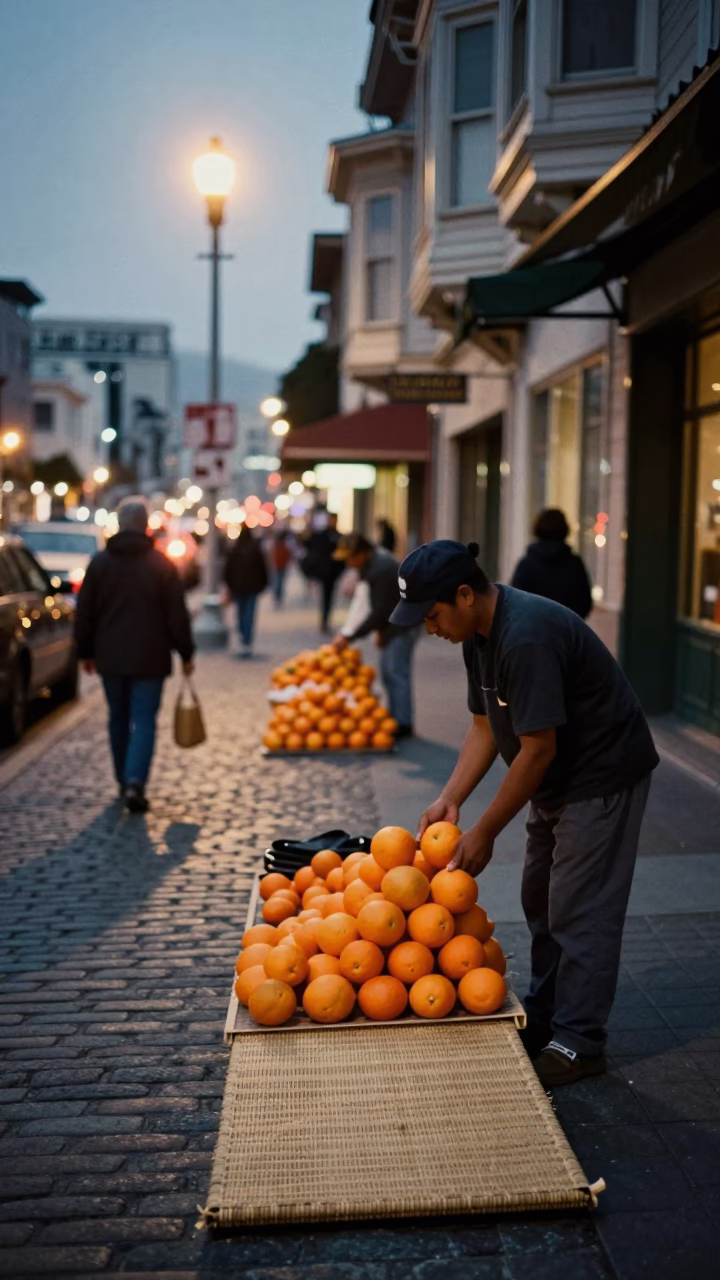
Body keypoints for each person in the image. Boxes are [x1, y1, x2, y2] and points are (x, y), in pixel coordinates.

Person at [390, 539, 659, 1087]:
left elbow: (538, 749)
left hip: (601, 773)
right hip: (556, 778)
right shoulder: (476, 634)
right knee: (540, 893)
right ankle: (547, 1014)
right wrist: (452, 797)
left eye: (433, 614)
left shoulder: (526, 636)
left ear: (465, 595)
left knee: (579, 906)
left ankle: (580, 1041)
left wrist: (486, 830)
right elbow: (485, 726)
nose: (429, 628)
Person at [74, 496, 195, 814]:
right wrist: (186, 652)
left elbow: (84, 612)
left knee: (118, 718)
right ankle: (134, 781)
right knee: (143, 720)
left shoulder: (100, 563)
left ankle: (122, 779)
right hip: (151, 657)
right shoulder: (161, 564)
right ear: (145, 526)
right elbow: (177, 616)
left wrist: (85, 651)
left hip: (110, 656)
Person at [334, 533, 417, 738]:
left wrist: (351, 636)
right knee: (390, 672)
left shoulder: (380, 569)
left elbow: (380, 610)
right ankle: (396, 717)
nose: (349, 562)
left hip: (403, 626)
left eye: (351, 557)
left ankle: (403, 723)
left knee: (395, 672)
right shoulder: (371, 566)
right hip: (393, 624)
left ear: (362, 553)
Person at [511, 509, 592, 619]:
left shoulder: (526, 564)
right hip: (566, 631)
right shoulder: (574, 565)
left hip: (531, 630)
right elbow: (585, 602)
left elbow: (513, 601)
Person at [223, 524, 269, 658]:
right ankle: (246, 638)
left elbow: (228, 570)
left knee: (240, 613)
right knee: (249, 613)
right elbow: (263, 568)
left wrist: (229, 585)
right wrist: (263, 584)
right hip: (252, 587)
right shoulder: (255, 549)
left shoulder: (235, 549)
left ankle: (242, 636)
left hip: (238, 587)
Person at [302, 511, 344, 633]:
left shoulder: (338, 536)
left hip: (332, 572)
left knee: (329, 597)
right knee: (325, 597)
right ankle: (324, 620)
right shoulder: (322, 535)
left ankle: (326, 619)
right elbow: (309, 545)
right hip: (323, 571)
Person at [271, 530, 292, 607]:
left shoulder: (278, 546)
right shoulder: (281, 546)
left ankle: (278, 596)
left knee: (278, 582)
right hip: (279, 566)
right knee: (279, 582)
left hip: (279, 566)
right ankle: (278, 595)